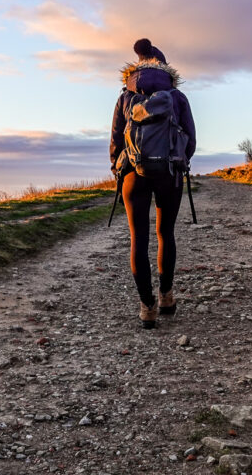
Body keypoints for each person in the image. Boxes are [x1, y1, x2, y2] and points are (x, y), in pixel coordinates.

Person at [110, 38, 196, 329]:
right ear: (165, 68)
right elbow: (191, 140)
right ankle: (166, 296)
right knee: (165, 234)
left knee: (138, 239)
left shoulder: (125, 97)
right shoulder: (177, 97)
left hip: (133, 175)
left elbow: (115, 140)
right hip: (169, 172)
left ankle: (147, 307)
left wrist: (118, 169)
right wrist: (179, 160)